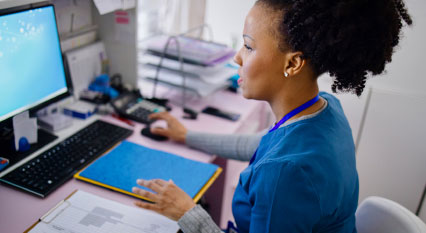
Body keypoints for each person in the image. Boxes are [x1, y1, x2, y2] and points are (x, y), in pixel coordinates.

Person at [132, 0, 412, 232]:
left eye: (249, 46)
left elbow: (278, 162)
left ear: (292, 63)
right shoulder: (325, 108)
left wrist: (187, 212)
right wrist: (186, 135)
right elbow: (262, 144)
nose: (237, 58)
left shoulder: (284, 174)